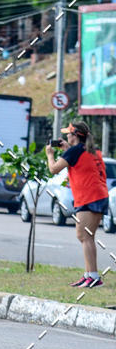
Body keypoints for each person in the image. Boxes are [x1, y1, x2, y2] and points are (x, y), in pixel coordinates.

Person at [46, 120, 109, 288]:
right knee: (85, 236)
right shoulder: (91, 150)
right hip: (97, 195)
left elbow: (53, 169)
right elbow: (80, 164)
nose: (66, 135)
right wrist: (67, 149)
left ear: (75, 136)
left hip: (90, 197)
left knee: (85, 236)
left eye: (69, 133)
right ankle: (89, 275)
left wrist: (49, 154)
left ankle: (94, 277)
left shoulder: (75, 151)